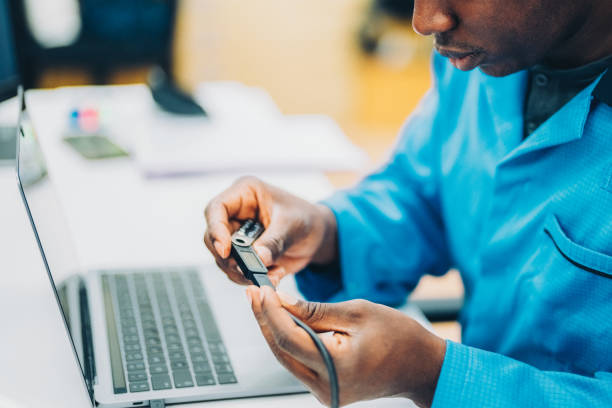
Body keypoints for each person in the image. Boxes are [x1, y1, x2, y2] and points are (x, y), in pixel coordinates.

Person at [204, 0, 612, 406]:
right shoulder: (481, 58)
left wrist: (435, 376)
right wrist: (327, 231)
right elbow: (423, 192)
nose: (425, 21)